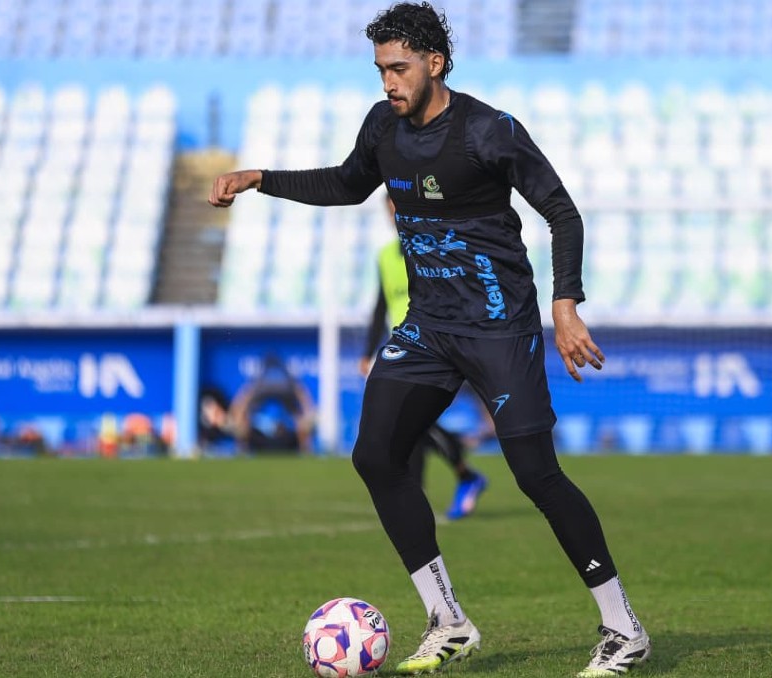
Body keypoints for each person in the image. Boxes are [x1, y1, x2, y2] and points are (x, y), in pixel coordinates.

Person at [207, 3, 650, 675]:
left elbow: (562, 211)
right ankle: (448, 620)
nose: (387, 81)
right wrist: (260, 179)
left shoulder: (487, 131)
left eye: (398, 67)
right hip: (428, 328)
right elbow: (347, 184)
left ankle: (624, 628)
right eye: (380, 69)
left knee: (536, 475)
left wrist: (566, 307)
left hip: (500, 326)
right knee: (376, 455)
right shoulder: (384, 126)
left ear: (434, 63)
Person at [361, 198, 490, 521]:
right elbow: (381, 305)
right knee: (410, 425)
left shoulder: (433, 247)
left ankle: (454, 481)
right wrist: (367, 352)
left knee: (411, 422)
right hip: (403, 350)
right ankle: (449, 483)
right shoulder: (386, 256)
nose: (393, 215)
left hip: (439, 346)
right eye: (388, 210)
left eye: (397, 207)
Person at [230, 353, 316, 454]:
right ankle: (306, 448)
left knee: (301, 418)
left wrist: (236, 412)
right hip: (271, 391)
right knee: (241, 417)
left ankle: (305, 448)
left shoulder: (277, 379)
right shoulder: (263, 380)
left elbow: (245, 395)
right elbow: (301, 392)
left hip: (281, 391)